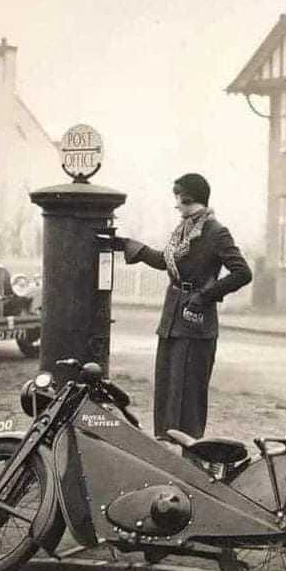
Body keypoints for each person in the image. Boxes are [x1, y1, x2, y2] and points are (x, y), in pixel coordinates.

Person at [122, 173, 252, 441]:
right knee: (168, 389)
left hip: (196, 322)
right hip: (172, 321)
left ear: (189, 197)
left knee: (189, 395)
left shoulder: (216, 232)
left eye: (178, 198)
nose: (176, 204)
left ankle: (190, 454)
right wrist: (131, 247)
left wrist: (205, 296)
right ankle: (168, 448)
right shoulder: (182, 230)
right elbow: (165, 261)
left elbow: (243, 273)